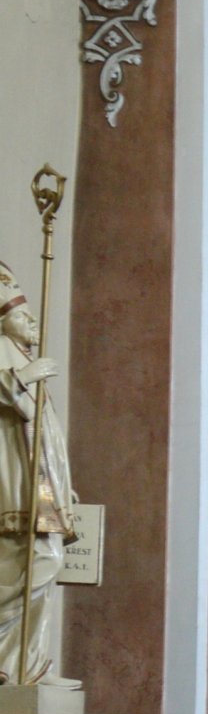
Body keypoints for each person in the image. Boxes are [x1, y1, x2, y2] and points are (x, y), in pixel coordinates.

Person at [0, 259, 76, 688]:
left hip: (42, 482)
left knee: (46, 564)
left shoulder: (24, 356)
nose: (32, 323)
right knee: (32, 563)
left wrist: (66, 489)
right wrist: (24, 376)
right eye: (24, 316)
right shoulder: (5, 353)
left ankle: (25, 666)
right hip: (14, 481)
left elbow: (49, 437)